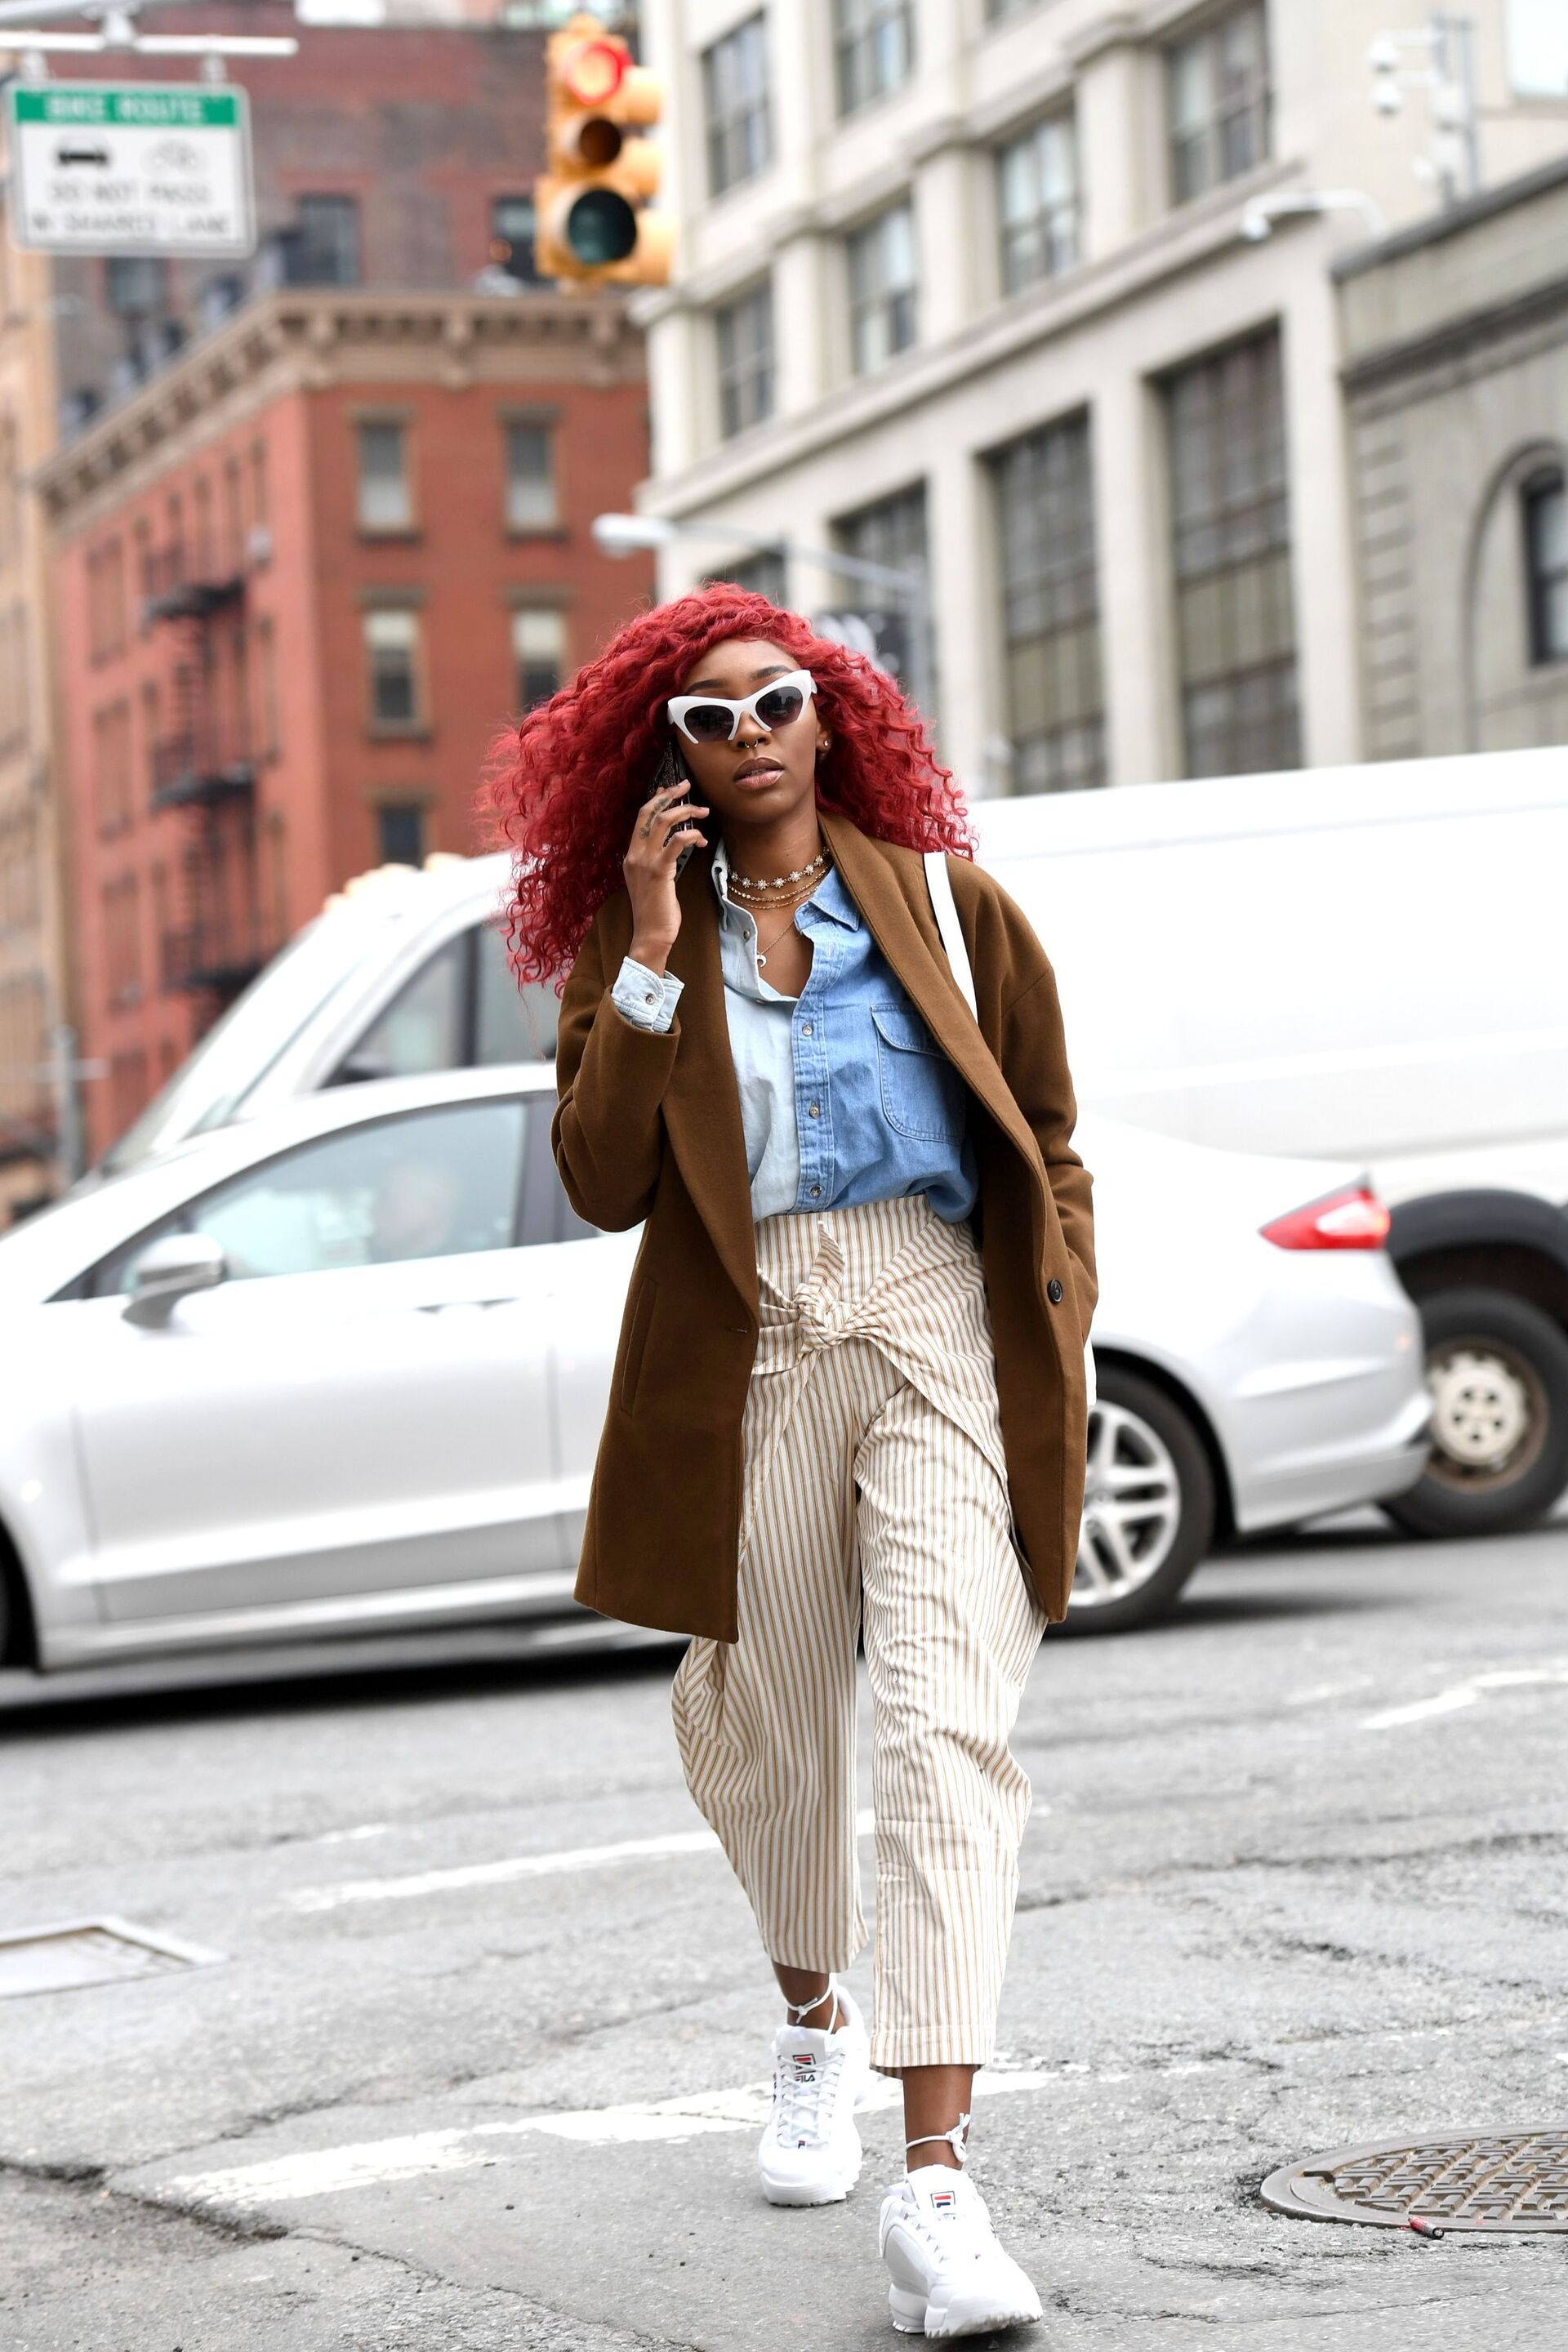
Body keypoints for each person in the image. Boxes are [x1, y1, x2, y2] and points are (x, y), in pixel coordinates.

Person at [486, 586, 1095, 2341]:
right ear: (659, 757)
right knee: (759, 1721)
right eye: (707, 719)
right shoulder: (637, 946)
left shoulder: (957, 914)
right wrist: (657, 944)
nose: (749, 735)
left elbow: (1048, 1137)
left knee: (944, 1727)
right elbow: (603, 1180)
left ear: (833, 718)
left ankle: (939, 2188)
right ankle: (811, 2024)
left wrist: (1056, 1305)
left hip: (927, 1323)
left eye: (778, 702)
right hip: (746, 1343)